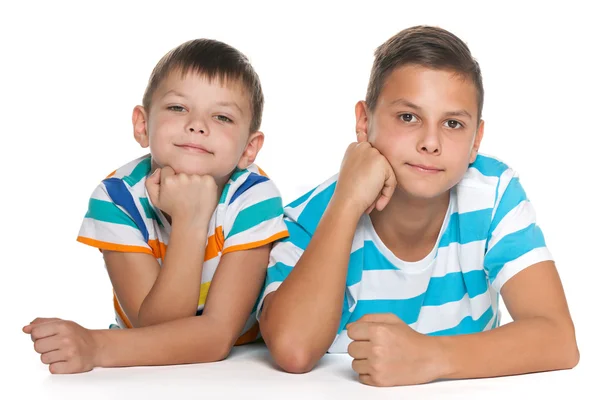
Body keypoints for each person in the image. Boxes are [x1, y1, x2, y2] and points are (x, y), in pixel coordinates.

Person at [257, 25, 579, 387]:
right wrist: (346, 204)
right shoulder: (311, 216)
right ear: (364, 122)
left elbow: (558, 339)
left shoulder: (493, 195)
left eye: (453, 123)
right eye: (408, 117)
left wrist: (430, 357)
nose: (430, 142)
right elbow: (293, 350)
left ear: (477, 140)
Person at [23, 38, 288, 374]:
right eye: (178, 108)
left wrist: (94, 346)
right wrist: (190, 222)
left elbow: (216, 338)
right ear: (142, 124)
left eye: (221, 116)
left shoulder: (254, 197)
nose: (197, 124)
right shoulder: (116, 199)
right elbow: (158, 329)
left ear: (249, 149)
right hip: (145, 368)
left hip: (241, 369)